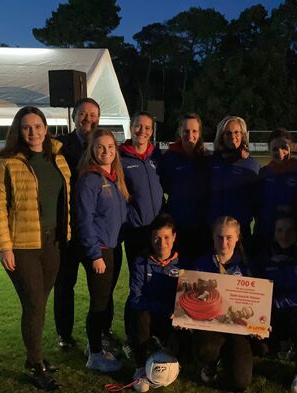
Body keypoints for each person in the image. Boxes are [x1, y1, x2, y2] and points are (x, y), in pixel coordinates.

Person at [0, 106, 71, 390]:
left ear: (46, 129)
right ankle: (35, 363)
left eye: (38, 126)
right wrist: (4, 246)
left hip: (52, 243)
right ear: (18, 131)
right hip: (22, 246)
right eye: (26, 127)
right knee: (34, 303)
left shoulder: (57, 158)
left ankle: (36, 356)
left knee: (38, 304)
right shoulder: (7, 163)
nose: (33, 132)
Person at [76, 129, 129, 373]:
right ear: (92, 150)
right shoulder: (90, 179)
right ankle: (95, 355)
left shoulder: (114, 176)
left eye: (110, 146)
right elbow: (84, 220)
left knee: (106, 299)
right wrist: (95, 254)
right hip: (100, 249)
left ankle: (96, 344)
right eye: (100, 147)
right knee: (98, 303)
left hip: (113, 246)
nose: (106, 151)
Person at [53, 97, 103, 351]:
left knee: (101, 286)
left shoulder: (104, 145)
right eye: (83, 114)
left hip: (97, 230)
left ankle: (103, 332)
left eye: (92, 115)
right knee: (65, 284)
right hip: (69, 228)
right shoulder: (60, 146)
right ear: (74, 117)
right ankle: (64, 334)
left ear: (99, 118)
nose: (88, 119)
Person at [255, 213, 297, 393]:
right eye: (280, 230)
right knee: (261, 350)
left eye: (289, 230)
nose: (284, 235)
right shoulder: (265, 256)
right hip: (273, 313)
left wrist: (274, 303)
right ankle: (284, 346)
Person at [193, 216, 253, 391]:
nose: (224, 243)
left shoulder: (247, 266)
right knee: (204, 350)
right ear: (213, 237)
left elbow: (257, 303)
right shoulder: (201, 265)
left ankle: (229, 357)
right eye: (219, 237)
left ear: (237, 238)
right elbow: (192, 299)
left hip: (238, 329)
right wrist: (182, 315)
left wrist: (260, 325)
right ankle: (210, 363)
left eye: (229, 238)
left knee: (240, 383)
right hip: (210, 326)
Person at [126, 212, 181, 392]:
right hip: (149, 315)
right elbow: (135, 299)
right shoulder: (141, 262)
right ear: (151, 238)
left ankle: (172, 355)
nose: (162, 243)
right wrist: (164, 308)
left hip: (170, 319)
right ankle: (140, 367)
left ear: (174, 238)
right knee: (139, 316)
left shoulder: (182, 264)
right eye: (157, 238)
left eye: (166, 237)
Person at [158, 113, 211, 265]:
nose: (190, 135)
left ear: (199, 133)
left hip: (203, 226)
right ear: (180, 132)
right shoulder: (169, 158)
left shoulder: (207, 158)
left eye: (194, 131)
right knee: (178, 272)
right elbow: (161, 186)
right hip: (177, 225)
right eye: (186, 131)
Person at [207, 116, 260, 252]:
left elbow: (256, 202)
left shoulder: (252, 165)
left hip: (241, 232)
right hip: (214, 232)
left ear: (243, 135)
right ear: (221, 136)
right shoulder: (211, 162)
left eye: (237, 132)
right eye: (228, 133)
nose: (233, 136)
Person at [118, 111, 164, 262]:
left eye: (147, 127)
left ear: (151, 131)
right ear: (131, 128)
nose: (142, 131)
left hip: (159, 229)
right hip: (135, 229)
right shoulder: (119, 157)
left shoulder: (157, 155)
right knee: (137, 277)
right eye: (138, 126)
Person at [253, 128, 297, 253]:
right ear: (269, 150)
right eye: (275, 149)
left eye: (284, 148)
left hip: (291, 237)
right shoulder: (263, 173)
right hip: (265, 234)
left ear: (291, 148)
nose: (280, 152)